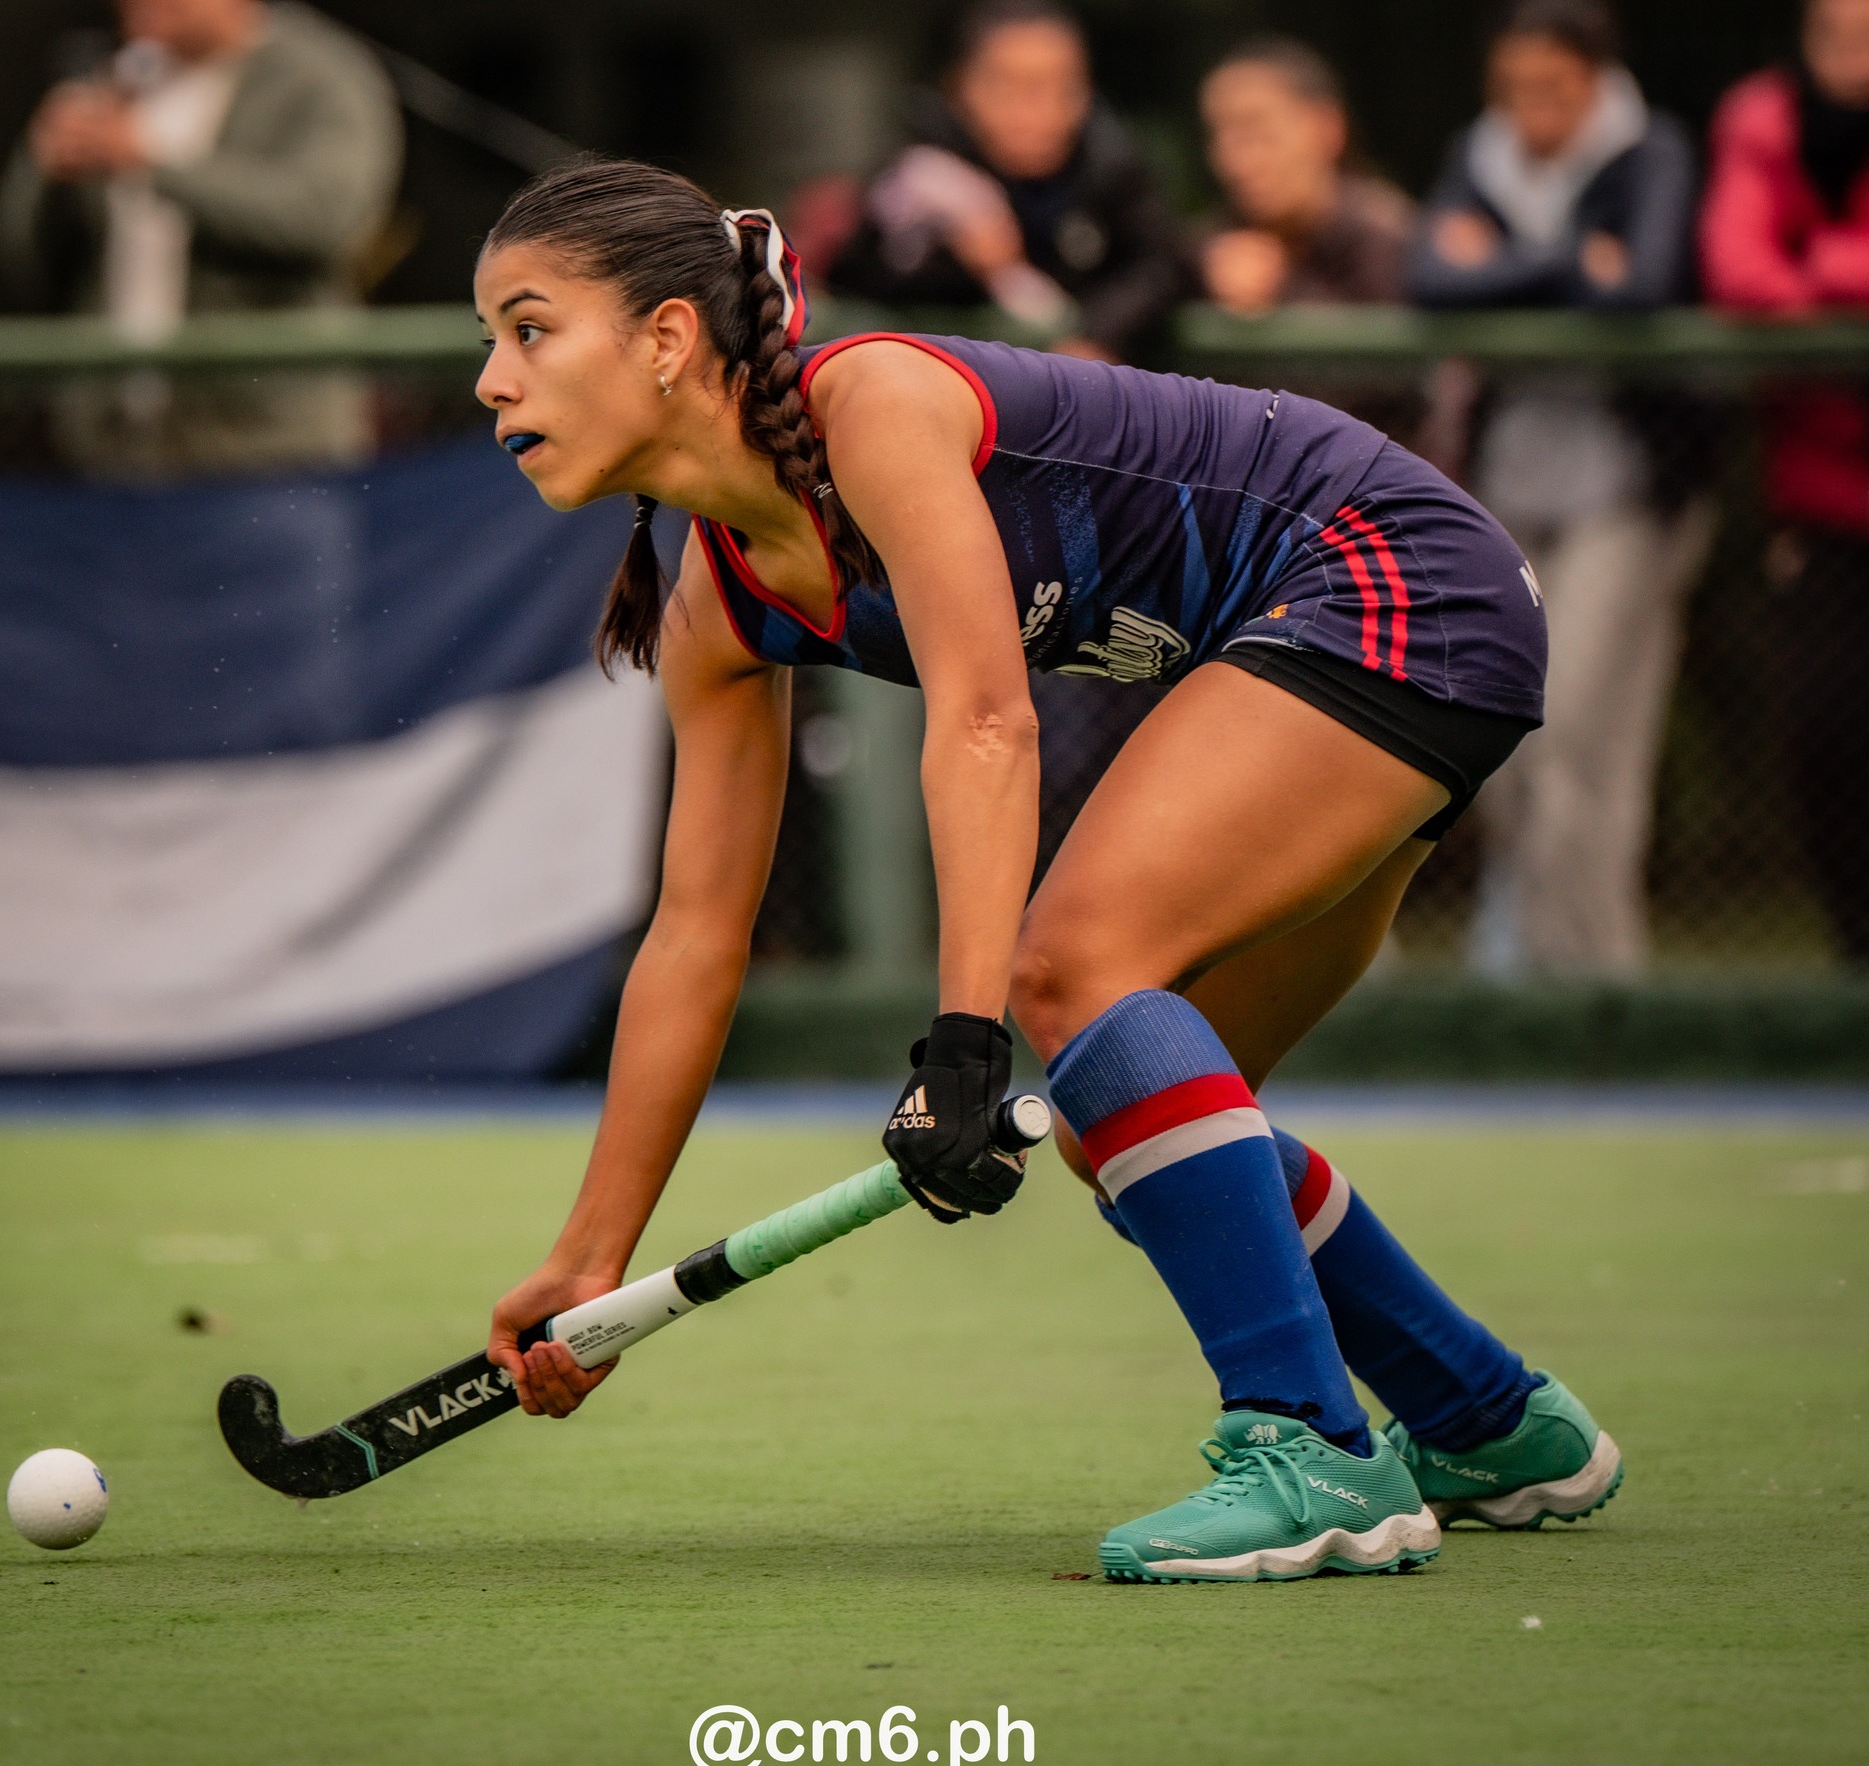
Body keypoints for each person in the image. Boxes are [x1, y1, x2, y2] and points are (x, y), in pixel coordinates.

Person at [469, 158, 1621, 1583]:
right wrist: (593, 1262)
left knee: (1075, 973)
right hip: (1373, 627)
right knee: (1123, 1114)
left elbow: (985, 722)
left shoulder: (873, 406)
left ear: (664, 338)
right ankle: (1490, 1421)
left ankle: (1312, 1445)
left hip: (1391, 573)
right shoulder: (720, 608)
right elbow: (695, 936)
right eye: (490, 341)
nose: (492, 381)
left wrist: (963, 1046)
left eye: (530, 330)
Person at [1410, 0, 1707, 979]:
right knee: (1500, 736)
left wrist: (1501, 265)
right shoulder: (1477, 154)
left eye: (1556, 89)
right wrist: (1572, 261)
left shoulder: (1652, 151)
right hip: (1507, 488)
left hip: (1624, 490)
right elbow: (1431, 281)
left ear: (1596, 79)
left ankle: (1593, 988)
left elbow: (1642, 288)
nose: (1532, 111)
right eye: (1514, 88)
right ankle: (1552, 979)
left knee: (1578, 734)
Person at [0, 0, 402, 475]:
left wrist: (149, 161)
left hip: (271, 448)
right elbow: (28, 260)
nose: (148, 21)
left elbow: (325, 219)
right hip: (116, 452)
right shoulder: (115, 84)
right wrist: (44, 171)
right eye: (131, 3)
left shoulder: (321, 75)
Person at [1701, 0, 1869, 964]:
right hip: (1820, 486)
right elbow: (1737, 274)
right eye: (1835, 31)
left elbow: (1782, 271)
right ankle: (1862, 963)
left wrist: (1817, 260)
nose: (1853, 51)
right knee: (1824, 733)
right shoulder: (1761, 120)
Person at [825, 0, 1186, 365]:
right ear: (958, 89)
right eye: (1009, 87)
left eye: (1062, 85)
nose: (1037, 111)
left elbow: (1164, 266)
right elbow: (852, 282)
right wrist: (957, 258)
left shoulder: (1111, 164)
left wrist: (1098, 336)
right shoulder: (921, 174)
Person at [1196, 37, 1414, 313]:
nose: (1235, 162)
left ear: (1327, 129)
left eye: (1257, 133)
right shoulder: (1206, 249)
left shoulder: (1392, 245)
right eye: (1220, 136)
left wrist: (1279, 292)